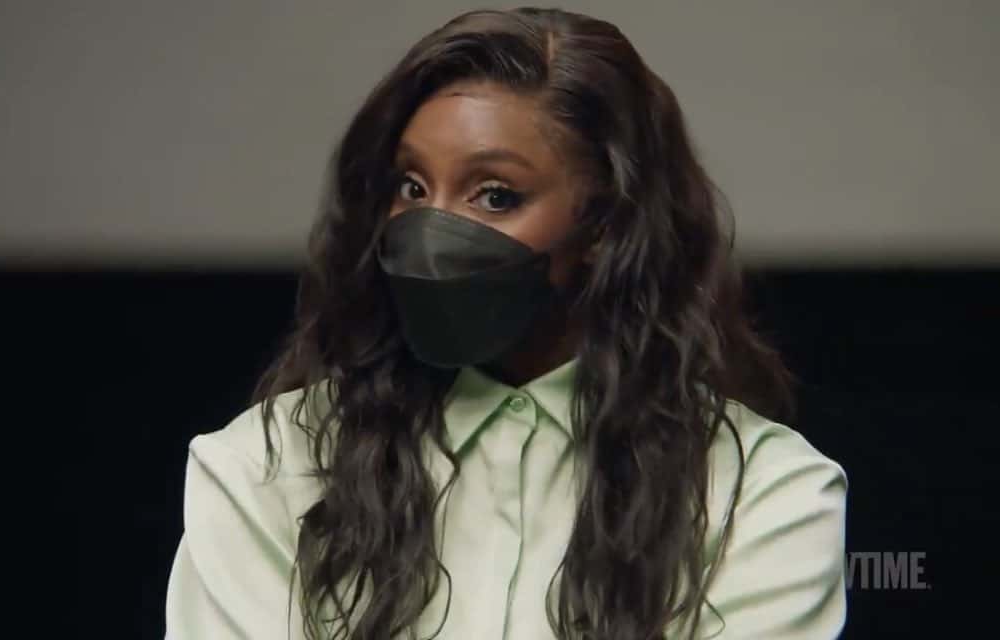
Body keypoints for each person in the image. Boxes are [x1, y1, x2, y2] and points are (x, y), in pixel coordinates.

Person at [164, 7, 847, 639]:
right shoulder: (265, 468)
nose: (432, 231)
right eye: (411, 187)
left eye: (494, 195)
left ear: (605, 225)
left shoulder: (760, 494)